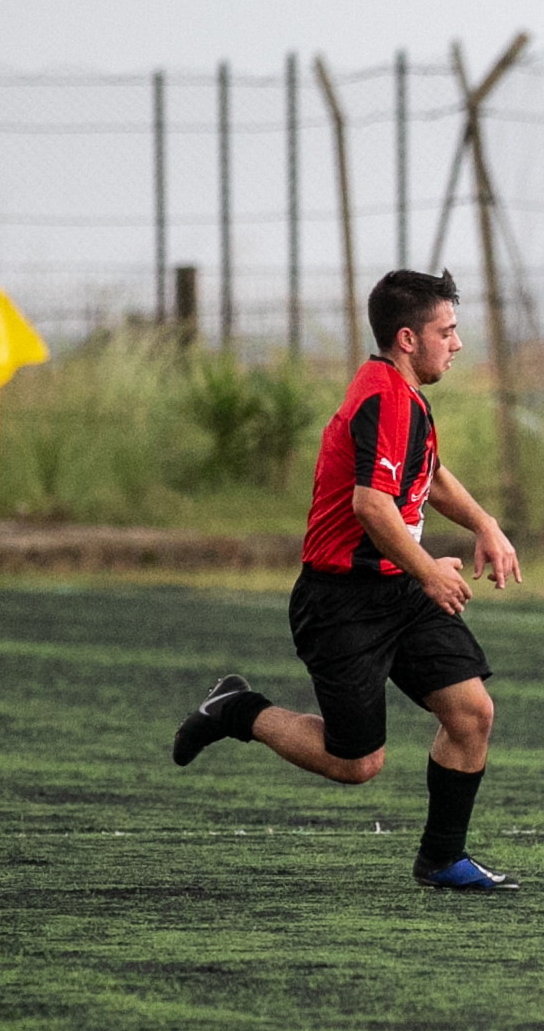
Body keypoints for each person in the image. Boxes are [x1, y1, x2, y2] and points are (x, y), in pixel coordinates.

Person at [170, 269, 525, 890]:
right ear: (408, 338)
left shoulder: (403, 394)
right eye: (447, 331)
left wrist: (484, 524)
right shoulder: (386, 397)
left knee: (471, 713)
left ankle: (442, 859)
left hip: (399, 588)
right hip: (342, 602)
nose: (458, 343)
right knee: (355, 762)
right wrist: (429, 572)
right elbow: (372, 505)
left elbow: (429, 474)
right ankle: (237, 709)